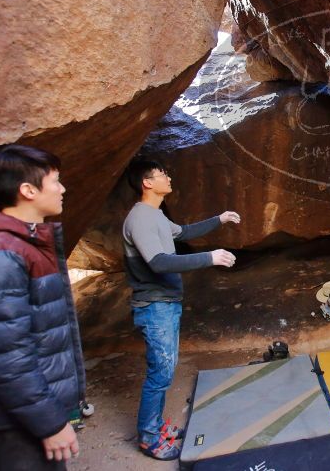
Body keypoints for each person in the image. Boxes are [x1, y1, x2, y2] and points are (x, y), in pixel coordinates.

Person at [0, 145, 85, 470]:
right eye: (56, 181)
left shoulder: (22, 242)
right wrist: (49, 423)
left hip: (26, 414)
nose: (63, 189)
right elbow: (7, 358)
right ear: (28, 190)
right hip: (14, 424)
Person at [122, 158, 240, 460]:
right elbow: (159, 262)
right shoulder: (140, 219)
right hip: (155, 306)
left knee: (164, 370)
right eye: (163, 174)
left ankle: (157, 426)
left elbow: (183, 232)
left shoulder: (155, 215)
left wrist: (219, 218)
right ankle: (149, 437)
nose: (168, 177)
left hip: (166, 304)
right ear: (147, 182)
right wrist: (209, 258)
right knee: (160, 373)